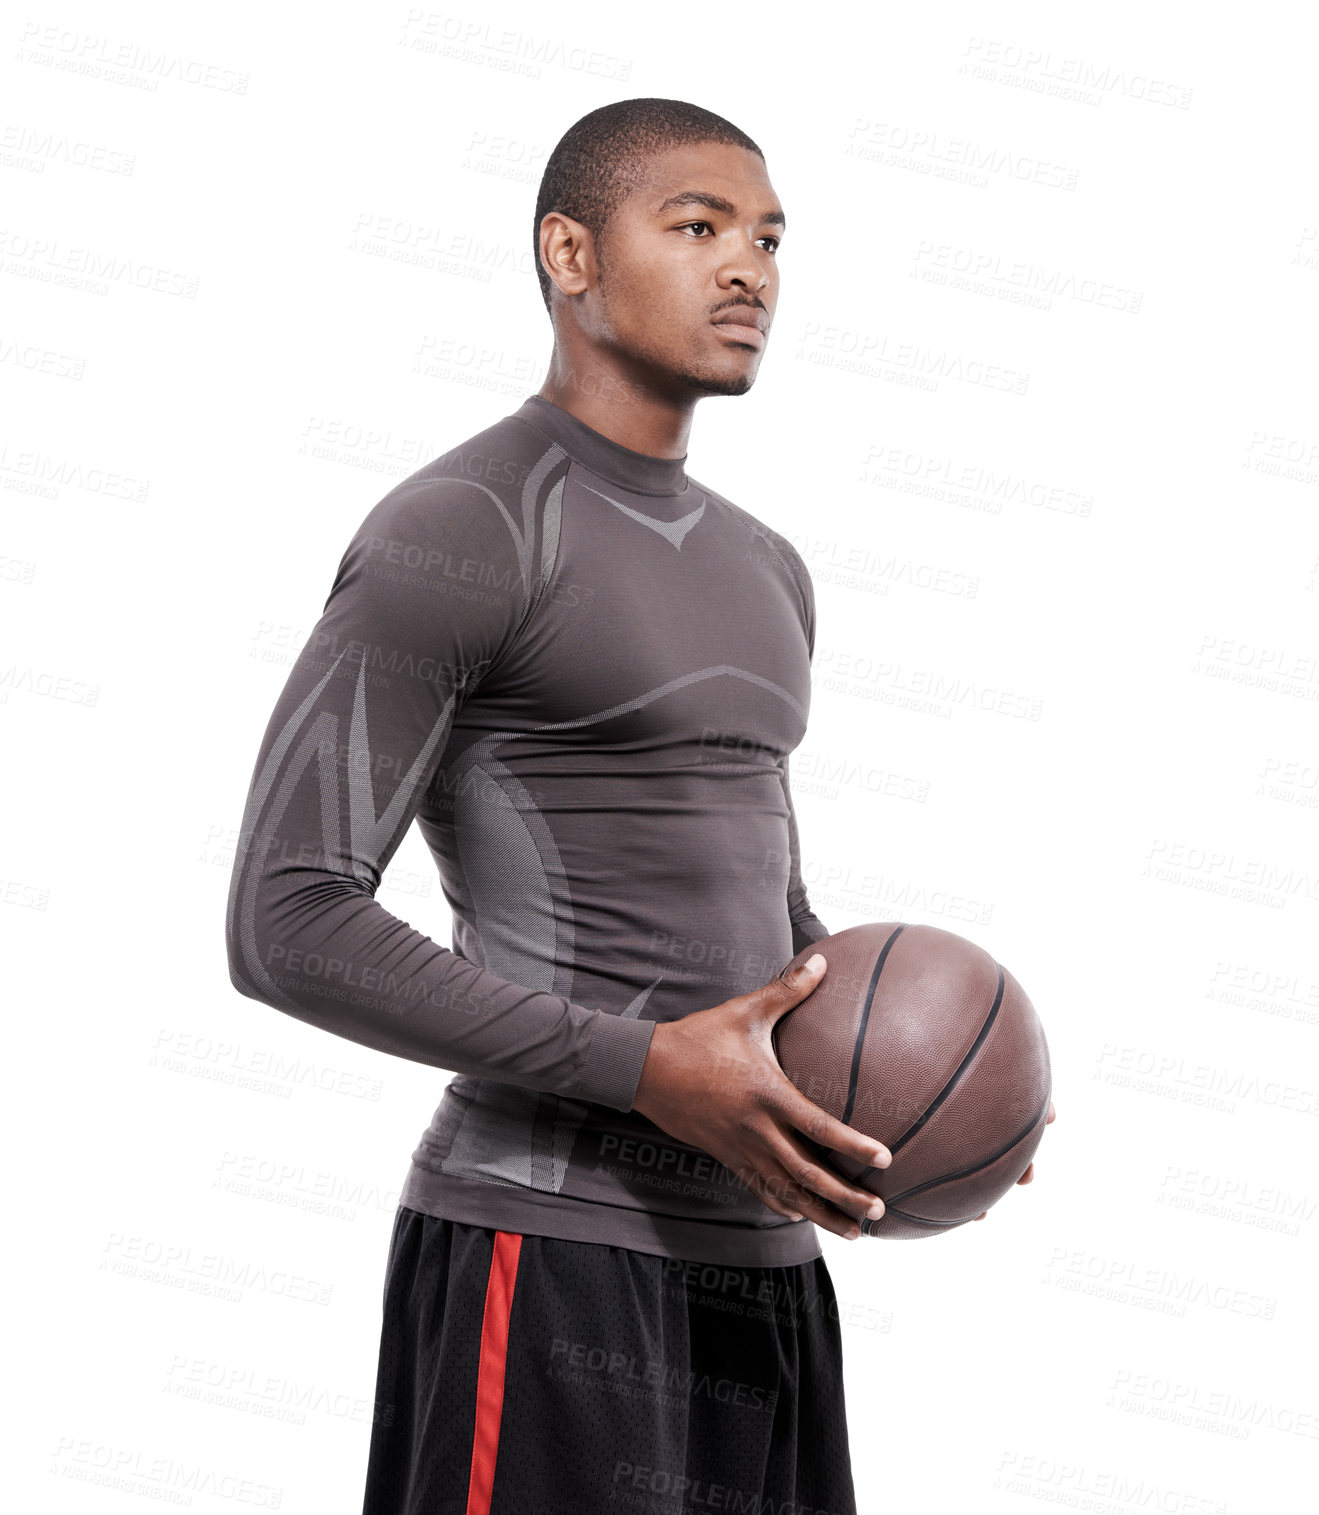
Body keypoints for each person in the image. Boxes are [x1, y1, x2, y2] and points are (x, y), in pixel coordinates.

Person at [224, 96, 1053, 1515]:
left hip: (764, 1269)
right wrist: (649, 1069)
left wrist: (913, 1113)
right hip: (545, 1252)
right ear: (569, 251)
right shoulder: (468, 526)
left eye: (771, 239)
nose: (751, 270)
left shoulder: (768, 567)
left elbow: (772, 920)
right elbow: (287, 919)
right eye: (699, 226)